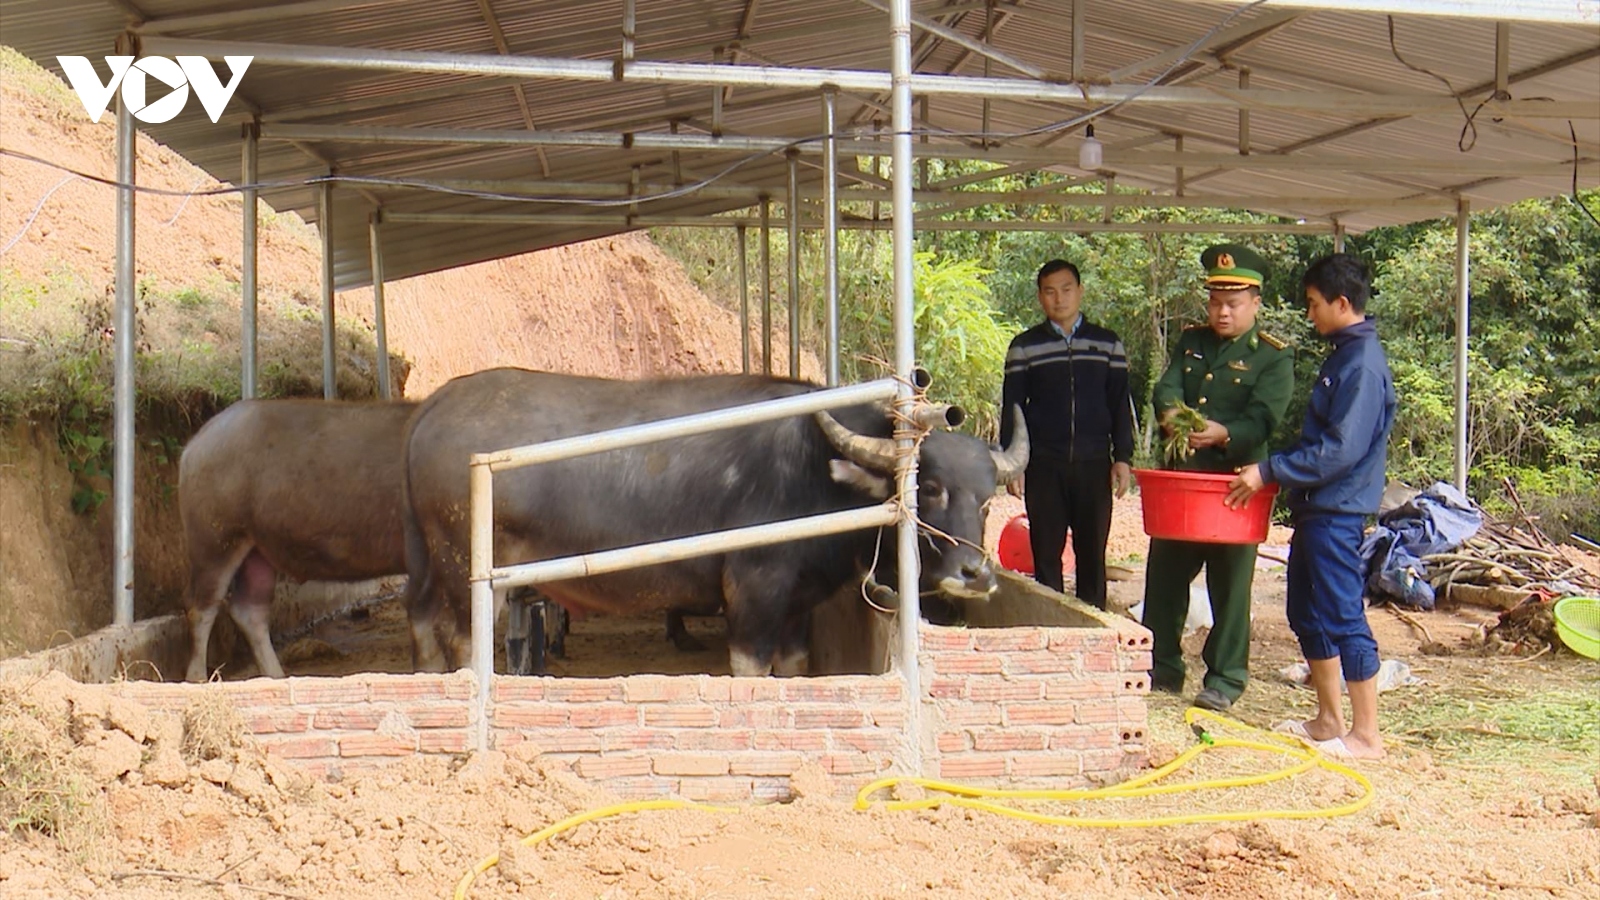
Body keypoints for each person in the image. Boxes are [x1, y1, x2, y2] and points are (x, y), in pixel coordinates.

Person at [1226, 253, 1396, 760]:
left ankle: (1366, 735)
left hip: (1338, 510)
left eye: (1314, 304)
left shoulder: (1363, 365)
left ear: (1343, 304)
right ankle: (1328, 719)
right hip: (1316, 507)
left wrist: (1270, 470)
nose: (1310, 314)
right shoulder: (1343, 354)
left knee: (1343, 613)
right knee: (1304, 609)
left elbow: (1341, 449)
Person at [1143, 244, 1295, 712]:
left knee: (1230, 587)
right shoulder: (1192, 343)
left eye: (1232, 303)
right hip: (1185, 483)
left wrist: (1222, 434)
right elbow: (1167, 387)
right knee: (1164, 578)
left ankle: (1225, 680)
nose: (1222, 311)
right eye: (1215, 301)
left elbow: (1264, 419)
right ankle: (1161, 668)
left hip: (1237, 485)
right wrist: (1174, 419)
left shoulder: (1272, 359)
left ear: (1255, 303)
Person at [1000, 260, 1134, 609]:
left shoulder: (1107, 344)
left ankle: (1092, 627)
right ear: (1040, 298)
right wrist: (1011, 462)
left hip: (1093, 464)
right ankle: (1050, 625)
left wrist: (1122, 457)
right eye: (1049, 291)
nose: (1059, 298)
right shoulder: (1024, 346)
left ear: (1080, 291)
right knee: (1046, 554)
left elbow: (1120, 404)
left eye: (1066, 289)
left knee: (1092, 554)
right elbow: (1012, 407)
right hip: (1044, 465)